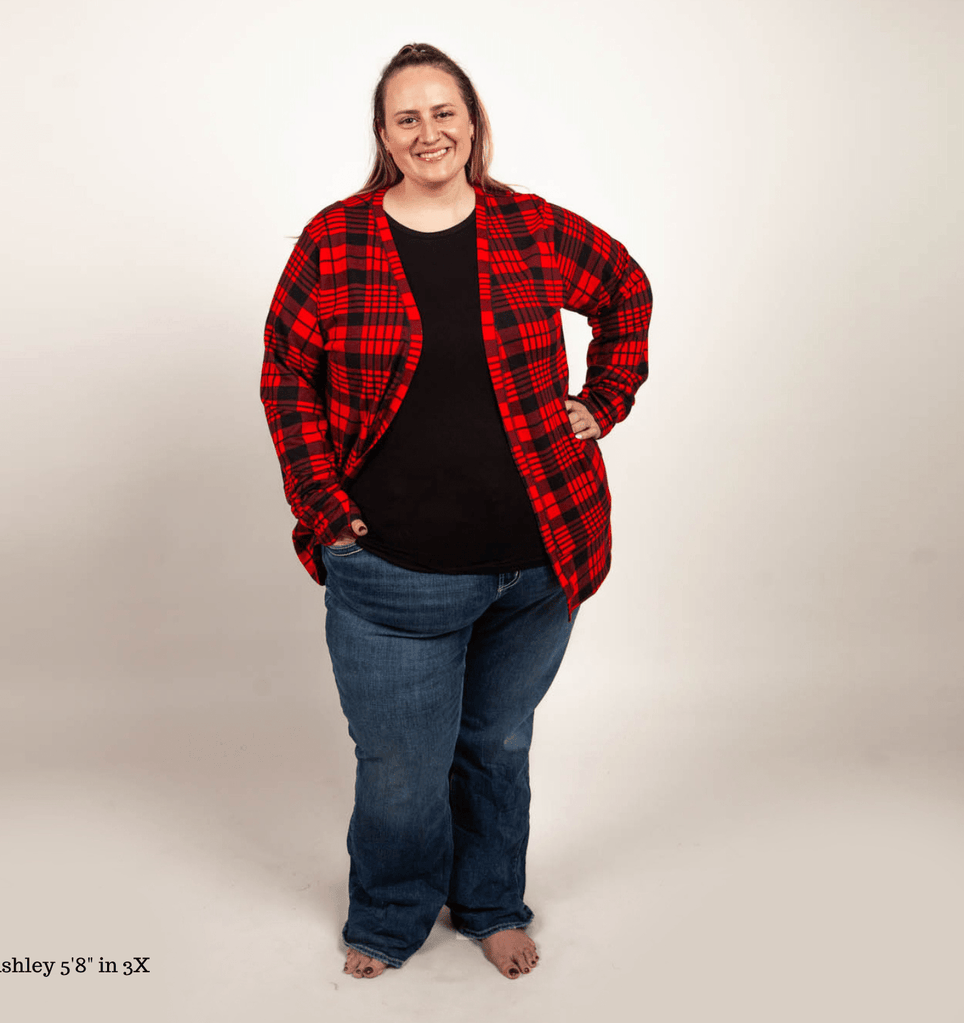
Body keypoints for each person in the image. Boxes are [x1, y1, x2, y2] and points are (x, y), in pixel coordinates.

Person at [261, 42, 652, 981]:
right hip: (392, 570)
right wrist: (328, 514)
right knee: (399, 770)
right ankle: (392, 915)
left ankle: (488, 902)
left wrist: (603, 400)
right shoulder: (336, 239)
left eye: (445, 112)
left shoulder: (531, 226)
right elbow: (287, 381)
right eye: (407, 117)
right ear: (384, 136)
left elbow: (625, 290)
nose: (429, 131)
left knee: (497, 746)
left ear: (471, 122)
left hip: (539, 557)